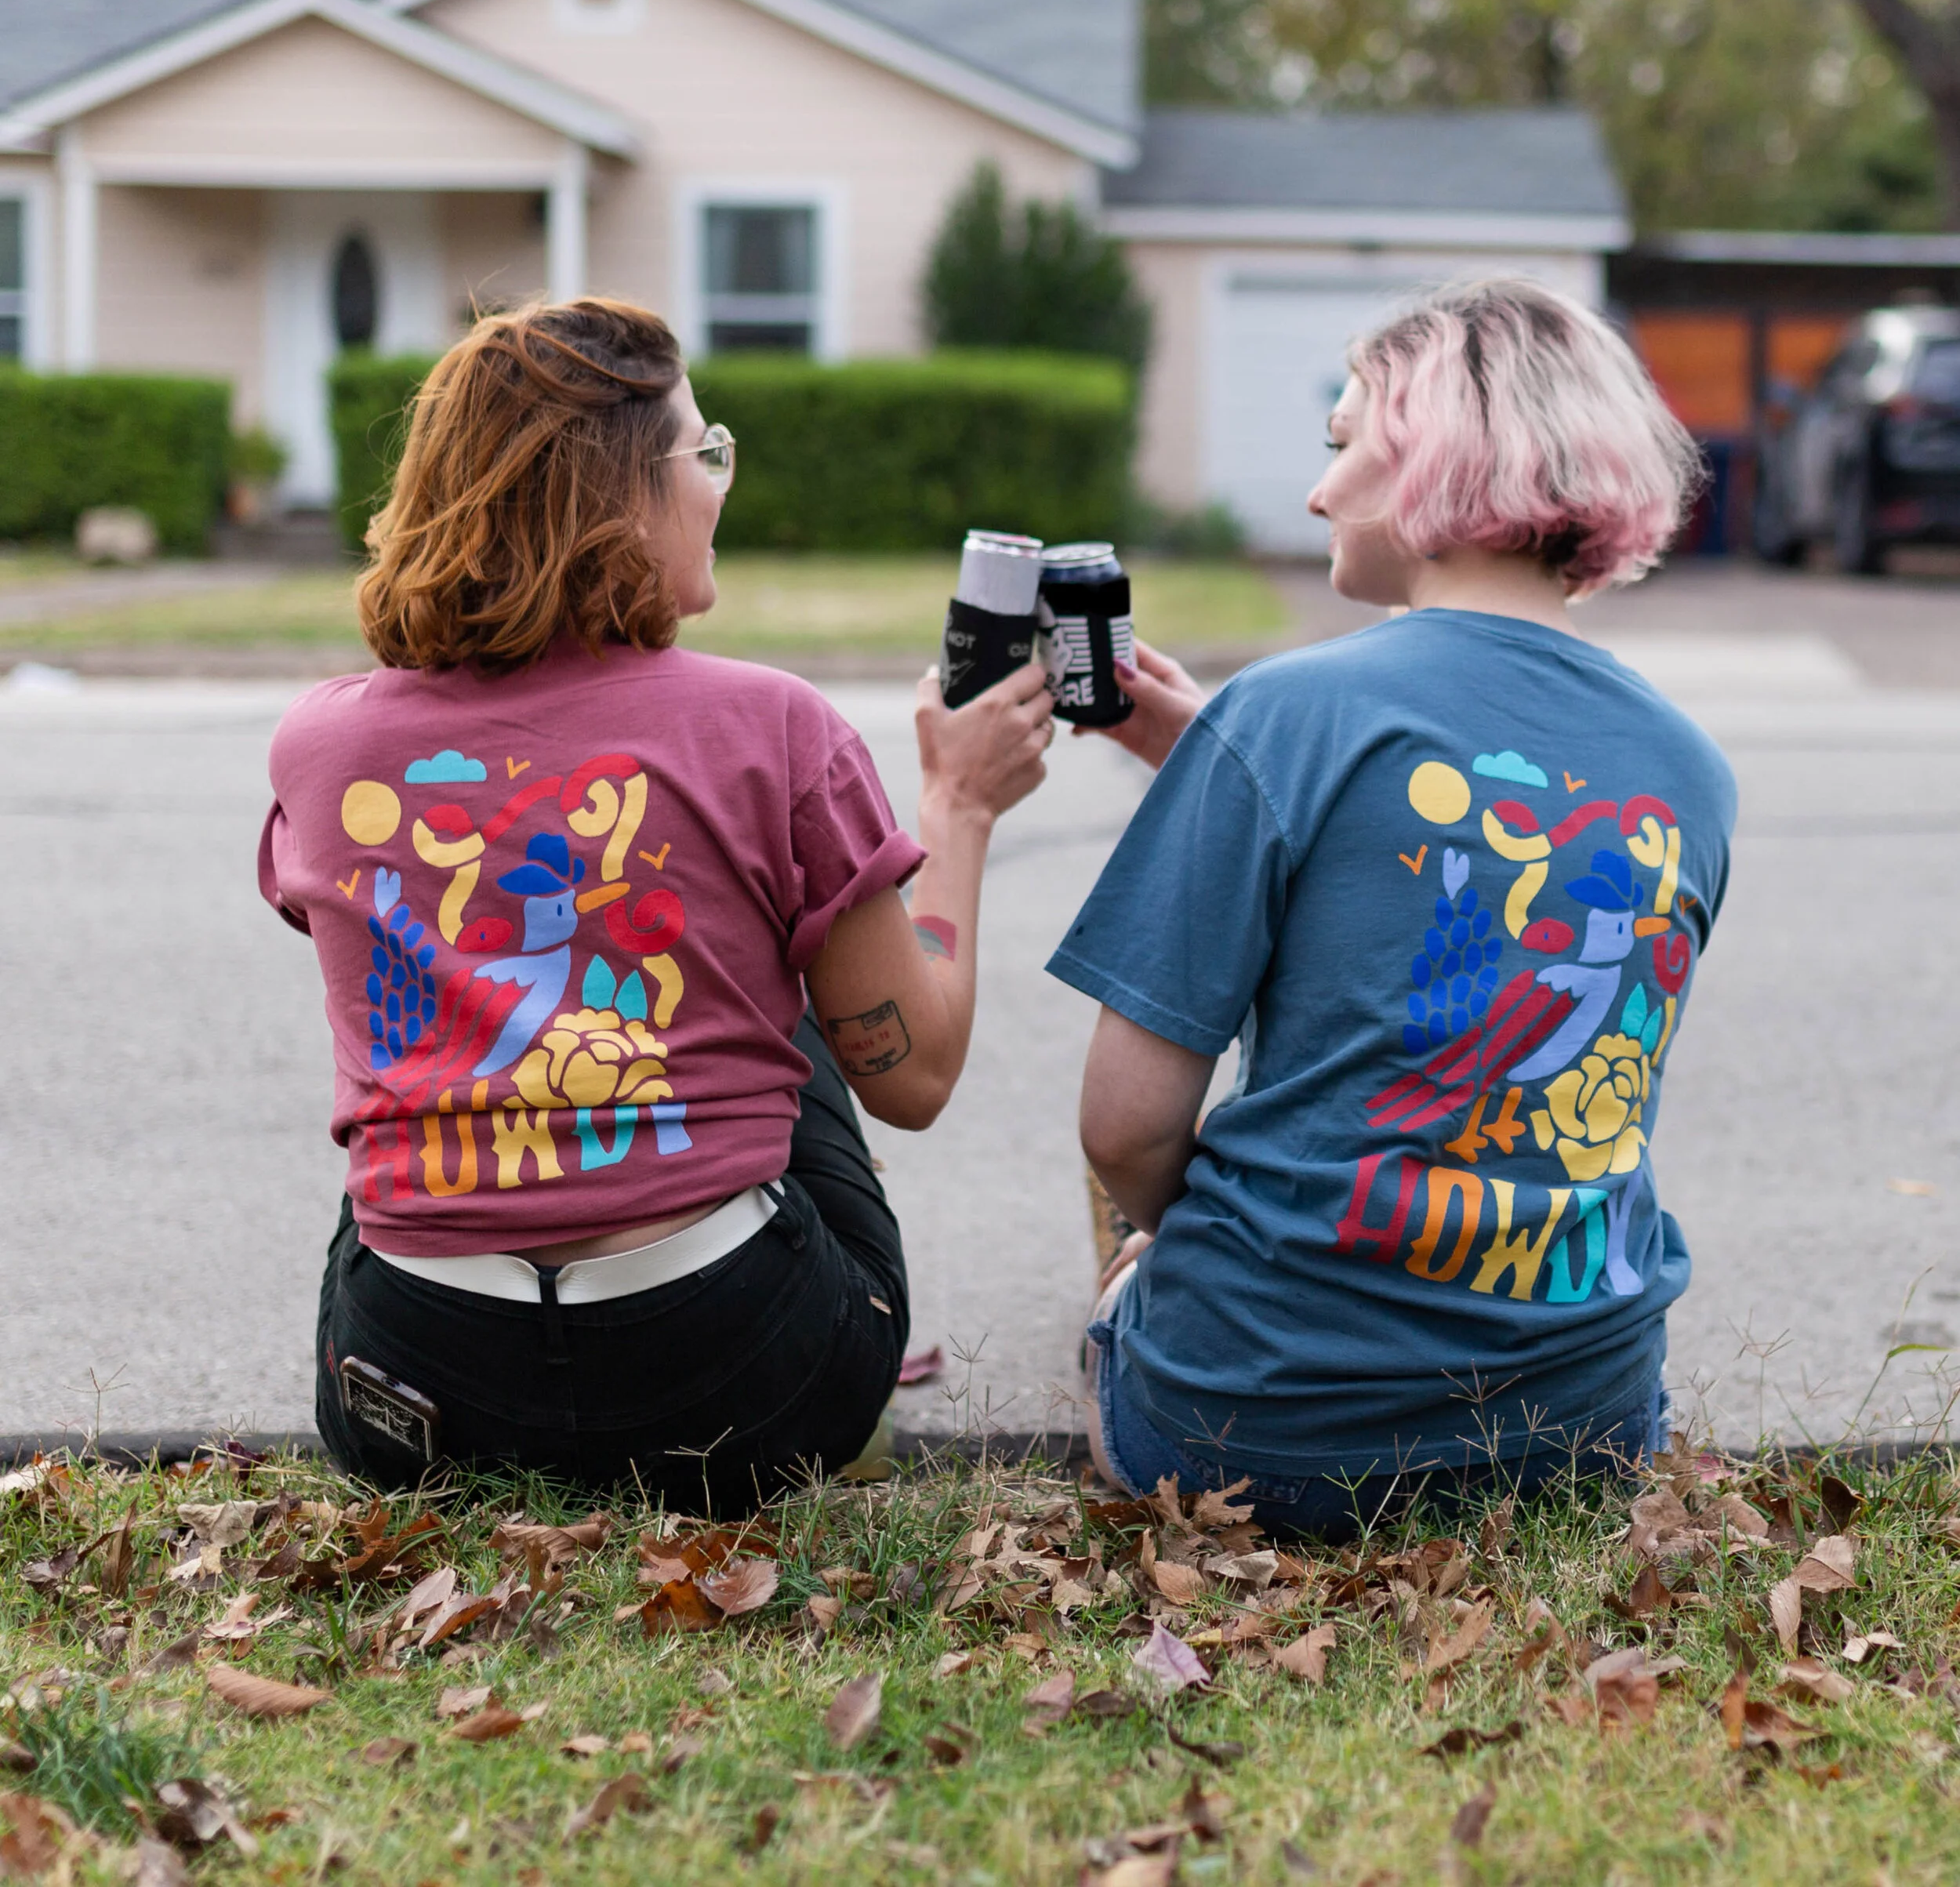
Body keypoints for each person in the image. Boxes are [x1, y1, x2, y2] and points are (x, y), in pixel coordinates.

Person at [258, 297, 1055, 1507]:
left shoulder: (319, 746)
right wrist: (958, 806)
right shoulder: (774, 727)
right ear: (620, 493)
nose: (722, 484)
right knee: (788, 989)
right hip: (743, 1384)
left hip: (412, 1387)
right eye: (707, 453)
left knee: (418, 1034)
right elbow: (915, 1077)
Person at [1053, 276, 1735, 1534]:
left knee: (1127, 1259)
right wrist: (1220, 756)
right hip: (1582, 1435)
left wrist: (1174, 1246)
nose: (1319, 492)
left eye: (1342, 442)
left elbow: (1123, 1128)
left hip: (1254, 1438)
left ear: (1430, 463)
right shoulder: (1691, 770)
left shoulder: (1290, 715)